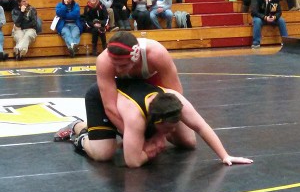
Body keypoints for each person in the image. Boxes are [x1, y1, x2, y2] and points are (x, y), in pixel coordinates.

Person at [54, 79, 254, 168]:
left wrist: (224, 155)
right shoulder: (135, 117)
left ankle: (90, 127)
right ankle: (79, 130)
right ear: (156, 122)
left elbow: (201, 126)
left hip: (132, 104)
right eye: (168, 129)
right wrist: (150, 150)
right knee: (104, 154)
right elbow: (132, 162)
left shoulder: (174, 100)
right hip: (101, 98)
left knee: (188, 143)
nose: (172, 133)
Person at [94, 31, 183, 136]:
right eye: (115, 65)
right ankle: (78, 127)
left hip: (153, 85)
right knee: (103, 151)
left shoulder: (156, 53)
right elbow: (110, 107)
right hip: (126, 88)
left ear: (135, 57)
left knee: (187, 140)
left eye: (123, 65)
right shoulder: (104, 61)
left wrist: (159, 135)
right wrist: (140, 139)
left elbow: (175, 95)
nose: (118, 69)